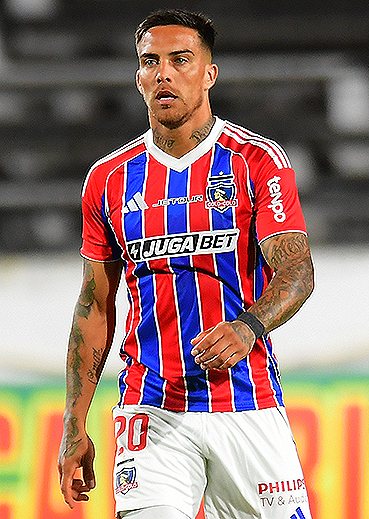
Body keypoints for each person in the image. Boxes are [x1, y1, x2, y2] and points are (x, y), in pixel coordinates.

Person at [57, 9, 314, 519]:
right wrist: (74, 422)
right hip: (151, 407)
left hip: (246, 400)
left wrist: (247, 327)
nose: (163, 74)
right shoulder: (109, 178)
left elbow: (297, 272)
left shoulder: (256, 160)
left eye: (180, 60)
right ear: (138, 77)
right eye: (150, 62)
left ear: (209, 73)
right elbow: (95, 305)